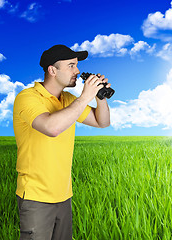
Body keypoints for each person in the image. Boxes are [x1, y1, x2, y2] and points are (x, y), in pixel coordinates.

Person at [13, 44, 111, 240]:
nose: (77, 71)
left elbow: (103, 122)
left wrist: (100, 96)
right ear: (52, 70)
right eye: (71, 65)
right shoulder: (27, 98)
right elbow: (51, 128)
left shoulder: (67, 99)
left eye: (76, 65)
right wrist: (84, 97)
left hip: (64, 195)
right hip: (36, 197)